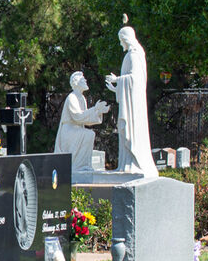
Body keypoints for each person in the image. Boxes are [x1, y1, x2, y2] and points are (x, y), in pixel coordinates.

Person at [105, 26, 160, 179]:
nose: (120, 44)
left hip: (133, 108)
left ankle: (132, 164)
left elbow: (135, 79)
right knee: (123, 131)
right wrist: (116, 89)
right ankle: (125, 165)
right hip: (129, 102)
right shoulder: (132, 54)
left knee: (127, 130)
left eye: (121, 40)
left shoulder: (134, 55)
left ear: (126, 39)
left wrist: (117, 80)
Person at [54, 71, 110, 180]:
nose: (85, 81)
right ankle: (78, 167)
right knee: (88, 134)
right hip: (69, 131)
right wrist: (95, 109)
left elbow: (85, 120)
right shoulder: (72, 97)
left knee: (90, 134)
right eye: (82, 80)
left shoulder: (81, 98)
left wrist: (99, 111)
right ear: (76, 83)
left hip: (77, 129)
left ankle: (83, 166)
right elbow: (78, 117)